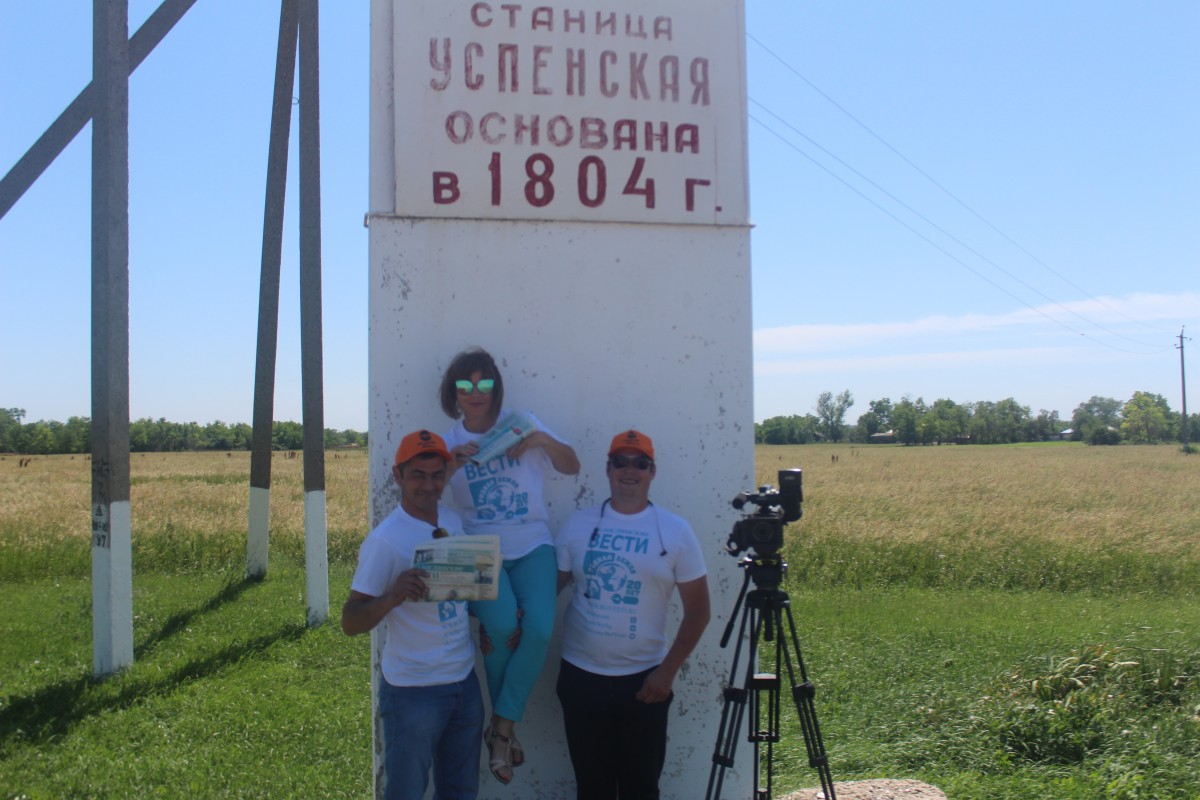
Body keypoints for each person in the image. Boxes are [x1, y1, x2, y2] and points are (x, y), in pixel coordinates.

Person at [438, 347, 581, 784]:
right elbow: (426, 490)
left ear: (496, 388)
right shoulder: (447, 441)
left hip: (533, 545)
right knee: (499, 629)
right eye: (465, 385)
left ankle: (501, 728)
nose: (475, 392)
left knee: (537, 627)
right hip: (480, 551)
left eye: (484, 384)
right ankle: (505, 730)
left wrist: (542, 441)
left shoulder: (522, 423)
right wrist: (450, 466)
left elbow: (572, 465)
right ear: (454, 394)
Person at [555, 429, 712, 800]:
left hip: (644, 684)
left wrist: (667, 673)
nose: (630, 470)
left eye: (639, 463)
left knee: (641, 789)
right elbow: (548, 589)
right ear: (607, 469)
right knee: (592, 789)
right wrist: (507, 621)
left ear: (652, 471)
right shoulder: (577, 524)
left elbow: (699, 610)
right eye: (620, 462)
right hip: (581, 679)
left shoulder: (675, 531)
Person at [341, 429, 483, 800]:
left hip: (464, 684)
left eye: (437, 474)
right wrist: (392, 596)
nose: (428, 484)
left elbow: (463, 592)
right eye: (417, 474)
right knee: (405, 793)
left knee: (460, 791)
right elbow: (350, 622)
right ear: (398, 476)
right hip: (413, 693)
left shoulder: (452, 521)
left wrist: (487, 623)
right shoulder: (385, 541)